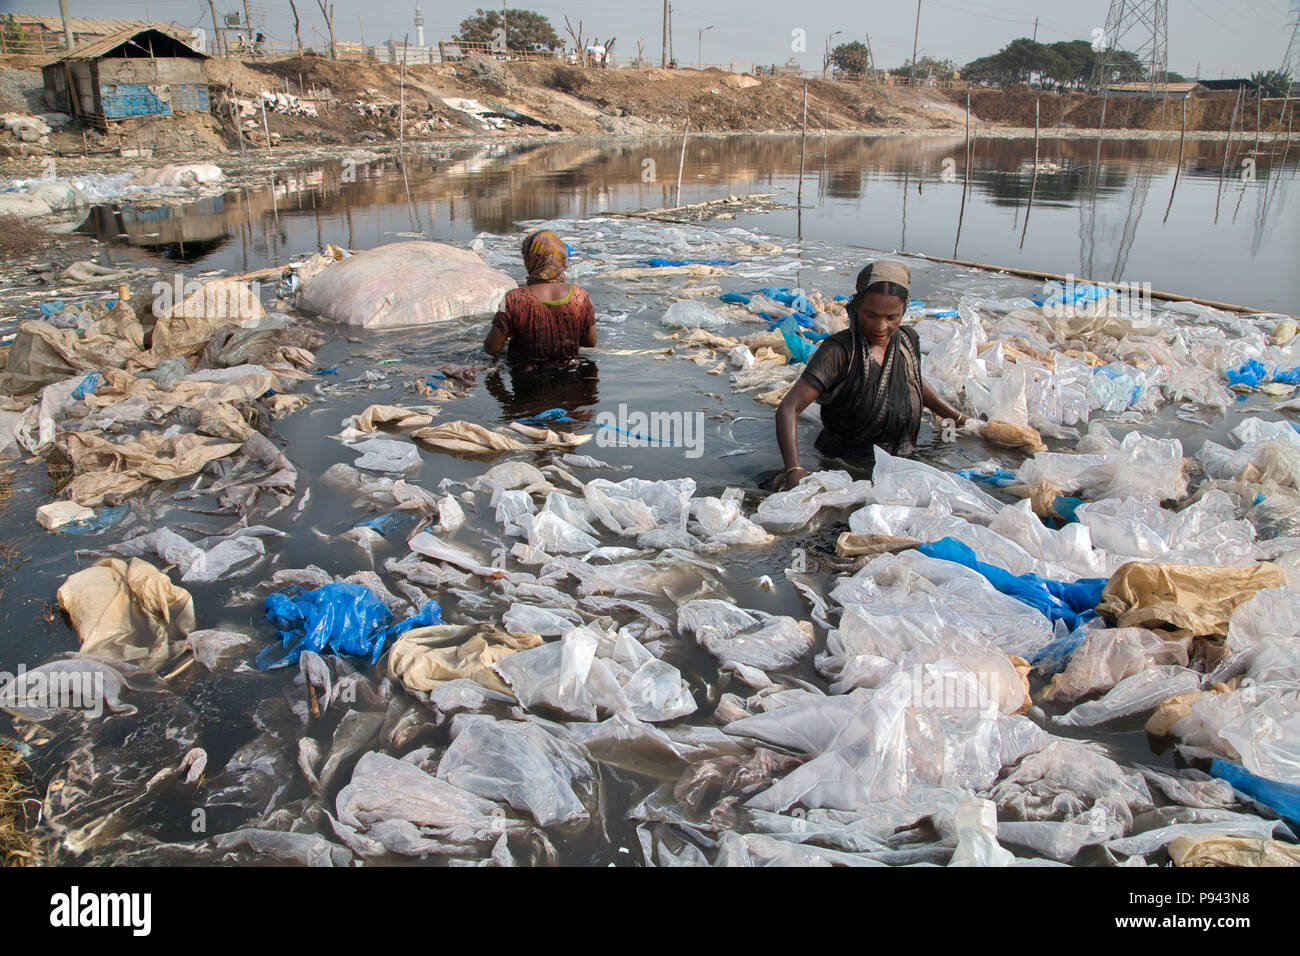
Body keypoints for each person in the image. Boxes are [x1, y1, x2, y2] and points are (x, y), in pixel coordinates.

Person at [774, 260, 971, 488]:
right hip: (847, 467)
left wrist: (957, 418)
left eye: (891, 318)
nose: (880, 327)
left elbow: (913, 381)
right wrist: (794, 469)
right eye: (871, 315)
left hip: (901, 460)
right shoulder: (839, 351)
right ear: (857, 307)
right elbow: (789, 408)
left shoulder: (907, 341)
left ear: (903, 311)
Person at [484, 229, 596, 371]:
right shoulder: (580, 296)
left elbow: (491, 348)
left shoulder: (513, 298)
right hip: (569, 379)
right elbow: (590, 342)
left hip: (525, 381)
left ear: (530, 259)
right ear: (561, 257)